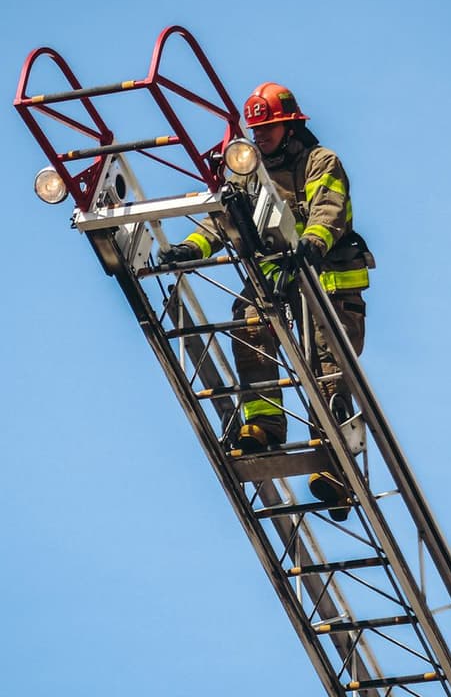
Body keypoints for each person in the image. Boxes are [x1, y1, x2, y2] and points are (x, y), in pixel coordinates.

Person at [158, 82, 373, 519]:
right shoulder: (247, 173)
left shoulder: (320, 161)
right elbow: (221, 223)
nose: (260, 137)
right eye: (256, 130)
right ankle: (266, 424)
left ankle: (336, 469)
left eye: (269, 128)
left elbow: (328, 210)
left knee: (327, 371)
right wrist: (190, 249)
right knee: (249, 325)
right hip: (278, 279)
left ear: (290, 126)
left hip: (328, 282)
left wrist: (310, 245)